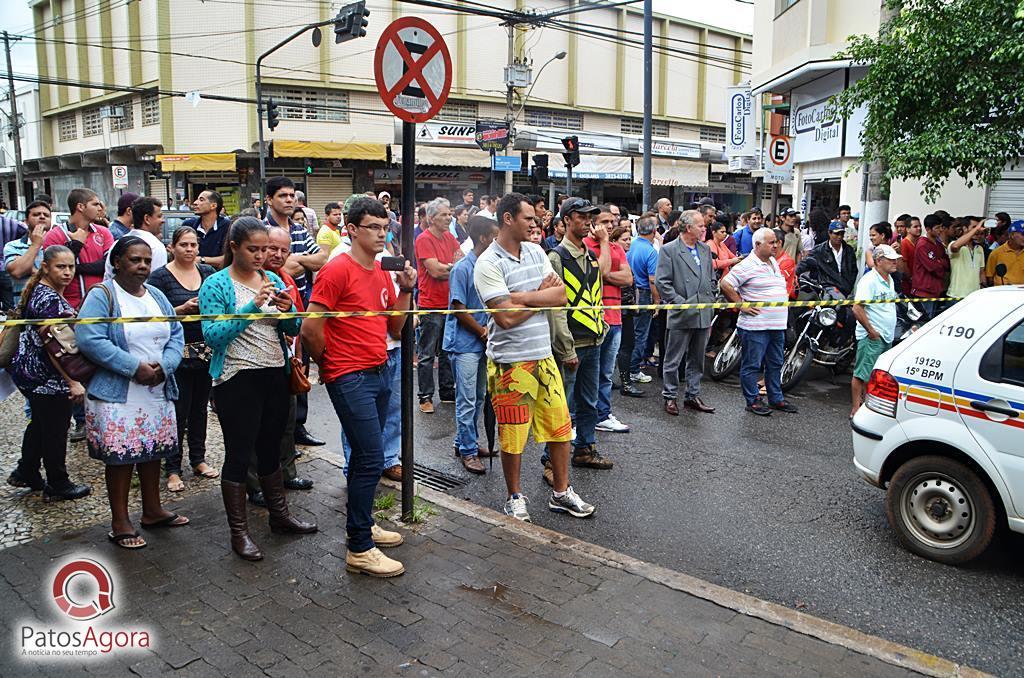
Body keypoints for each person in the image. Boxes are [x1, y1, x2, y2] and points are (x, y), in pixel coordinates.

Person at [302, 197, 416, 578]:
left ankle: (363, 524)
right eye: (373, 228)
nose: (382, 235)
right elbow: (310, 328)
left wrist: (406, 290)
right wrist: (329, 365)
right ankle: (359, 546)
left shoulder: (384, 270)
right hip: (350, 375)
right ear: (351, 229)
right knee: (369, 456)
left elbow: (395, 328)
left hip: (380, 369)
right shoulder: (337, 270)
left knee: (371, 456)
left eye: (385, 228)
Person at [473, 192, 595, 523]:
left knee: (560, 429)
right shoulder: (488, 263)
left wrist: (522, 297)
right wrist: (540, 297)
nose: (535, 222)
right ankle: (514, 496)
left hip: (544, 358)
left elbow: (561, 296)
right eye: (528, 217)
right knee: (512, 436)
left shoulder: (536, 251)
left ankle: (561, 492)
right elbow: (505, 319)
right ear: (508, 219)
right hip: (510, 364)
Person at [199, 218, 316, 561]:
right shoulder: (216, 284)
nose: (262, 256)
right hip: (236, 378)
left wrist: (288, 311)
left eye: (265, 249)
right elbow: (213, 336)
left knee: (271, 448)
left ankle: (280, 517)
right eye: (254, 249)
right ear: (234, 247)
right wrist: (251, 308)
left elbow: (294, 328)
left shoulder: (275, 278)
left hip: (274, 374)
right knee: (239, 453)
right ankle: (240, 533)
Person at [75, 237, 188, 549]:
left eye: (147, 261)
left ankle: (152, 510)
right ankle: (120, 521)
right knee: (122, 457)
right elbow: (90, 337)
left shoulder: (157, 295)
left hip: (156, 388)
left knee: (152, 450)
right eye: (135, 260)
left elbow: (175, 333)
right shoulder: (103, 295)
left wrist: (164, 366)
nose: (142, 266)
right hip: (119, 393)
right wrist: (133, 367)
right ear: (116, 262)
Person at [6, 246, 91, 500]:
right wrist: (71, 381)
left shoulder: (42, 291)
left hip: (30, 372)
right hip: (45, 376)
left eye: (71, 267)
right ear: (45, 267)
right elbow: (54, 345)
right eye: (60, 267)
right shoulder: (47, 298)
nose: (67, 273)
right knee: (55, 427)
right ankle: (58, 482)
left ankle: (26, 470)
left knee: (41, 423)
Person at [244, 224, 315, 503]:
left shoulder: (287, 280)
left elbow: (296, 323)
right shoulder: (249, 280)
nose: (276, 254)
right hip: (252, 365)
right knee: (253, 427)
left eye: (284, 250)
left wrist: (298, 354)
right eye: (271, 248)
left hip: (285, 361)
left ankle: (287, 473)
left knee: (286, 422)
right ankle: (254, 485)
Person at [547, 198, 613, 477]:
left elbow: (597, 293)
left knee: (588, 402)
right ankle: (550, 462)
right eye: (582, 217)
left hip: (594, 341)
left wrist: (602, 328)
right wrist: (566, 348)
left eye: (590, 217)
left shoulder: (590, 255)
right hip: (571, 346)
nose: (588, 221)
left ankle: (585, 448)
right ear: (566, 221)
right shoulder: (556, 258)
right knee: (561, 406)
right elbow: (556, 309)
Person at [147, 227, 217, 493]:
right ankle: (172, 468)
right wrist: (180, 310)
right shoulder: (160, 277)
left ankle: (198, 459)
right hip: (176, 352)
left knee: (200, 409)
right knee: (178, 411)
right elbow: (152, 313)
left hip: (205, 352)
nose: (190, 250)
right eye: (184, 245)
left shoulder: (207, 273)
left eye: (194, 245)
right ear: (172, 247)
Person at [263, 178, 326, 447]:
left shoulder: (299, 230)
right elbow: (278, 267)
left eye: (292, 195)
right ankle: (281, 438)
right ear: (269, 199)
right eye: (282, 195)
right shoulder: (263, 229)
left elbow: (322, 258)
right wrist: (296, 264)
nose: (289, 200)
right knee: (280, 372)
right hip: (272, 308)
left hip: (301, 304)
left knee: (301, 366)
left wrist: (297, 260)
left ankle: (298, 427)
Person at [720, 228, 798, 417]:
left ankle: (775, 397)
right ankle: (753, 400)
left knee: (775, 363)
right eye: (771, 242)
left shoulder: (772, 262)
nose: (776, 245)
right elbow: (725, 283)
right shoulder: (747, 265)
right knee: (752, 365)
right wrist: (741, 304)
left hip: (776, 325)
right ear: (757, 245)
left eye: (776, 242)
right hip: (756, 326)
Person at [443, 215, 499, 475]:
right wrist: (481, 331)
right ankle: (468, 451)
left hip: (480, 342)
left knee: (477, 397)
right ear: (484, 238)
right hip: (465, 343)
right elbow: (458, 309)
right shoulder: (462, 268)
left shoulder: (489, 266)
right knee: (466, 400)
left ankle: (466, 442)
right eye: (494, 236)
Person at [656, 210, 716, 416]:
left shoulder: (705, 249)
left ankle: (692, 394)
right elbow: (662, 282)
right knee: (674, 358)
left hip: (703, 311)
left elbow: (711, 277)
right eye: (700, 225)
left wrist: (712, 296)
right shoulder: (669, 250)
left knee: (697, 358)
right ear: (688, 227)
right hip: (682, 312)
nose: (704, 228)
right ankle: (670, 396)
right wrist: (679, 302)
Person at [586, 207, 633, 433]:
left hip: (615, 317)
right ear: (593, 224)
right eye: (604, 221)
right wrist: (604, 244)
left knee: (605, 373)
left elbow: (628, 278)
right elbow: (598, 272)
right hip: (593, 319)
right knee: (588, 373)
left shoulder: (617, 248)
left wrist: (607, 275)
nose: (610, 225)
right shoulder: (585, 245)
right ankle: (583, 417)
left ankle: (602, 415)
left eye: (612, 221)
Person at [415, 197, 461, 413]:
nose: (449, 217)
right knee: (426, 355)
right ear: (432, 218)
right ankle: (425, 396)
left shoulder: (450, 237)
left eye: (450, 214)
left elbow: (459, 264)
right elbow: (436, 271)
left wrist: (448, 267)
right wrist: (451, 267)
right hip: (430, 304)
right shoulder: (423, 239)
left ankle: (447, 392)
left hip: (449, 303)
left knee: (446, 352)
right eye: (444, 214)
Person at [850, 245, 902, 418]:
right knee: (862, 373)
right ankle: (856, 408)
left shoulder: (889, 278)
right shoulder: (869, 280)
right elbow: (857, 308)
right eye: (891, 259)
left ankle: (868, 406)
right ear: (879, 261)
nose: (895, 262)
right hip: (872, 335)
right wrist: (871, 330)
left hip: (885, 334)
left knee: (876, 374)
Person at [43, 188, 114, 310]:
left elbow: (108, 265)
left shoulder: (104, 232)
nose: (100, 208)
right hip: (69, 306)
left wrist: (76, 268)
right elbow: (56, 271)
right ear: (81, 207)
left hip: (102, 305)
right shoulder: (55, 235)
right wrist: (76, 244)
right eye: (95, 204)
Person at [626, 214, 660, 385]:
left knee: (631, 333)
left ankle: (628, 367)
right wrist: (656, 302)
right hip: (644, 293)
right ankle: (633, 369)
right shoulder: (651, 252)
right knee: (641, 334)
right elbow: (652, 280)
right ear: (654, 231)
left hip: (630, 293)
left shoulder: (630, 245)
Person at [612, 224, 644, 399]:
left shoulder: (624, 257)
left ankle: (618, 380)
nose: (628, 242)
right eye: (624, 239)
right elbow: (626, 281)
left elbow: (632, 284)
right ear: (615, 241)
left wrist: (636, 304)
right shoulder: (615, 259)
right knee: (625, 346)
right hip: (619, 309)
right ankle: (625, 383)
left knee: (626, 345)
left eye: (630, 238)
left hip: (628, 308)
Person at [104, 197, 167, 280]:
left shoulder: (117, 243)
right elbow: (156, 281)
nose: (163, 221)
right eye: (159, 216)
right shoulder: (156, 246)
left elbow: (108, 277)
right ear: (147, 219)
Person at [5, 201, 52, 297]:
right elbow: (17, 272)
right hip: (24, 306)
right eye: (36, 214)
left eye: (46, 215)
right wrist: (35, 245)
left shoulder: (59, 244)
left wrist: (31, 269)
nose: (42, 217)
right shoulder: (13, 246)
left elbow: (61, 278)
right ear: (26, 221)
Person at [799, 220, 858, 297]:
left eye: (842, 233)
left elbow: (854, 270)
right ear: (829, 233)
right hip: (827, 288)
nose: (839, 237)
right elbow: (805, 263)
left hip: (846, 288)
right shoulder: (819, 250)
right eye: (836, 233)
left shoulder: (849, 250)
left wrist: (849, 285)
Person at [911, 214, 951, 319]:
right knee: (925, 321)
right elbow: (932, 267)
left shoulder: (938, 244)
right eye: (937, 228)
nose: (940, 230)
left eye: (940, 227)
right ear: (928, 229)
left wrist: (939, 262)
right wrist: (940, 262)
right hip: (924, 290)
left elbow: (947, 262)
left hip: (935, 289)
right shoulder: (922, 244)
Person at [184, 190, 230, 269]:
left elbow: (228, 259)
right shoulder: (188, 225)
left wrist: (202, 260)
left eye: (201, 200)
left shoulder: (227, 226)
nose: (195, 202)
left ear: (213, 206)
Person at [946, 218, 986, 299]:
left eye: (978, 227)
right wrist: (976, 229)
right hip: (957, 296)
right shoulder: (953, 243)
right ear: (964, 228)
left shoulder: (979, 248)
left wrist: (983, 288)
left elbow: (981, 272)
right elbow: (955, 246)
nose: (977, 230)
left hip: (975, 296)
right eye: (974, 227)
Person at [985, 220, 1024, 285]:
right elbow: (990, 276)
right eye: (1023, 234)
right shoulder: (996, 253)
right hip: (1002, 292)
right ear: (1012, 235)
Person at [899, 216, 923, 295]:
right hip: (909, 283)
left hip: (919, 282)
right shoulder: (904, 243)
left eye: (920, 226)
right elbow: (904, 265)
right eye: (915, 227)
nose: (919, 228)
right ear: (908, 229)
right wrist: (910, 278)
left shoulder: (920, 242)